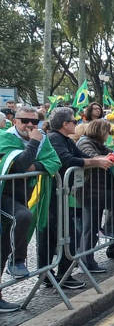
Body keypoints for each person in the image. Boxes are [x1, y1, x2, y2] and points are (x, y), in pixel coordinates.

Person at [40, 107, 113, 290]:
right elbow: (67, 160)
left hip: (63, 194)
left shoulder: (64, 139)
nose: (77, 124)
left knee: (66, 234)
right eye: (74, 121)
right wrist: (97, 161)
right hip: (52, 194)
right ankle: (53, 275)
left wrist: (106, 158)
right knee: (60, 235)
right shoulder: (55, 139)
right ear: (65, 124)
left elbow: (81, 156)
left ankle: (59, 275)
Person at [0, 107, 60, 312]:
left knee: (3, 248)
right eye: (24, 121)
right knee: (23, 216)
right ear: (14, 121)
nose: (30, 125)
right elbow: (18, 166)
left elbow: (54, 162)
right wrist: (33, 144)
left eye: (34, 122)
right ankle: (17, 261)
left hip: (23, 197)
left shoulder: (43, 139)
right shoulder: (5, 137)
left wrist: (32, 166)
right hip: (3, 196)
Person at [76, 119, 114, 273]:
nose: (107, 136)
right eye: (106, 132)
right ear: (99, 131)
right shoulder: (85, 143)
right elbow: (96, 159)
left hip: (98, 190)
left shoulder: (96, 143)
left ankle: (111, 229)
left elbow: (108, 154)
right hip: (90, 191)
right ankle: (86, 261)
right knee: (90, 228)